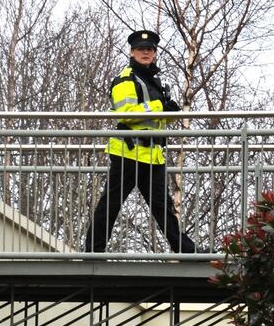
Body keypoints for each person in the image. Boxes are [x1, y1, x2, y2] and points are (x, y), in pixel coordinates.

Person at [84, 29, 197, 254]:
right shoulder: (126, 78)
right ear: (132, 52)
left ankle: (186, 250)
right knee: (111, 204)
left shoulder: (152, 80)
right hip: (128, 152)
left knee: (163, 208)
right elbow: (125, 113)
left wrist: (168, 112)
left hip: (152, 155)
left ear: (154, 53)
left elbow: (152, 119)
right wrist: (160, 107)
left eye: (149, 49)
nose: (145, 52)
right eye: (140, 49)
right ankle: (92, 252)